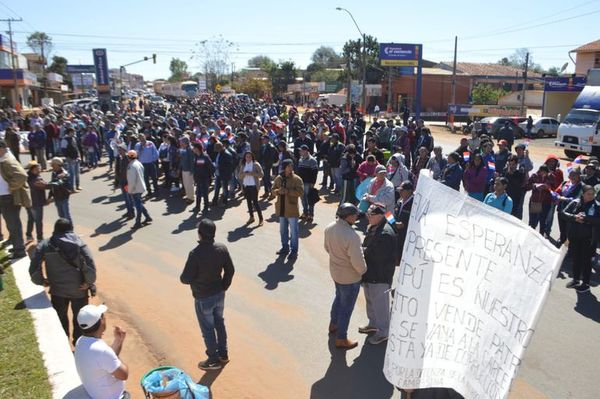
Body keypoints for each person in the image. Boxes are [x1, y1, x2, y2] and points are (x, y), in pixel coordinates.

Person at [29, 218, 97, 344]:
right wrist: (88, 282)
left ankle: (63, 342)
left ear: (55, 229)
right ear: (70, 229)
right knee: (80, 320)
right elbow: (90, 265)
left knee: (60, 319)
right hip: (79, 290)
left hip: (57, 291)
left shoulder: (45, 245)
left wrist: (42, 281)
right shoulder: (80, 243)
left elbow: (34, 269)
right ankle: (78, 344)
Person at [180, 219, 235, 370]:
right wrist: (224, 286)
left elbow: (185, 278)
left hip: (203, 297)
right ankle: (223, 355)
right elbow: (230, 270)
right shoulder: (221, 248)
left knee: (208, 329)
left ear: (200, 234)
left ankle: (213, 359)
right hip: (219, 294)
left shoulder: (195, 254)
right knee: (219, 323)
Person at [324, 203, 367, 349]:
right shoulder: (352, 236)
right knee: (346, 308)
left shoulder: (329, 227)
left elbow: (327, 248)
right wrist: (363, 271)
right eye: (354, 214)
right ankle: (341, 338)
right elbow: (358, 262)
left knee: (338, 298)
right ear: (348, 217)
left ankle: (333, 324)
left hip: (335, 272)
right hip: (350, 277)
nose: (356, 216)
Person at [74, 304, 130, 399]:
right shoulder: (102, 351)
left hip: (94, 393)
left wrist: (118, 341)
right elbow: (124, 375)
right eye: (103, 316)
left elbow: (107, 359)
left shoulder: (80, 341)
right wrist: (115, 356)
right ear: (101, 321)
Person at [359, 204, 396, 345]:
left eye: (371, 215)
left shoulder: (385, 233)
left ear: (380, 216)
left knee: (380, 306)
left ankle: (383, 332)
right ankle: (373, 324)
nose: (368, 217)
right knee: (370, 302)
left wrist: (361, 250)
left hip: (379, 275)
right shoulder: (374, 227)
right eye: (368, 214)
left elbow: (378, 255)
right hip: (370, 273)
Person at [560, 185, 600, 293]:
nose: (591, 196)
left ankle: (586, 284)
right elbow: (563, 213)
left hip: (589, 239)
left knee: (586, 262)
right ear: (583, 194)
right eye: (588, 194)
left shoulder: (597, 206)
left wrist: (587, 219)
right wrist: (574, 218)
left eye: (593, 194)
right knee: (576, 259)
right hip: (575, 237)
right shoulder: (575, 202)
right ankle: (576, 280)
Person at [0, 139, 29, 259]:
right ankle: (16, 244)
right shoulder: (4, 159)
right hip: (5, 197)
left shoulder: (7, 160)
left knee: (13, 224)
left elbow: (22, 175)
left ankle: (19, 250)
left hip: (8, 197)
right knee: (11, 223)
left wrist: (11, 187)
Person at [272, 159, 303, 259]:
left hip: (292, 209)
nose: (291, 168)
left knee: (294, 232)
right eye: (288, 166)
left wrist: (288, 191)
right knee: (282, 230)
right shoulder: (279, 178)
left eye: (291, 166)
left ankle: (294, 251)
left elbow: (300, 192)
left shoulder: (297, 179)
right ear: (284, 167)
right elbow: (272, 190)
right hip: (281, 209)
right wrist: (278, 191)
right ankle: (285, 247)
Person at [126, 150, 152, 230]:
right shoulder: (138, 163)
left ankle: (138, 222)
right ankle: (147, 217)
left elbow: (132, 180)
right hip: (140, 187)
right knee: (139, 203)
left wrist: (130, 190)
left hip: (135, 189)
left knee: (137, 206)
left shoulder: (132, 166)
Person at [556, 168, 583, 245]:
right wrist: (557, 196)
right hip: (561, 209)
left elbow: (578, 198)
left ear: (579, 176)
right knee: (562, 229)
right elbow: (557, 192)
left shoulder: (581, 186)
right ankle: (561, 241)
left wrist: (564, 199)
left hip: (571, 212)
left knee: (569, 231)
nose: (572, 176)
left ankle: (567, 247)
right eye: (571, 175)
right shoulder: (565, 183)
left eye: (574, 175)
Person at [527, 165, 555, 235]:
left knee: (543, 222)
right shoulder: (534, 176)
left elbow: (555, 188)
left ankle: (541, 237)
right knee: (532, 222)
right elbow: (526, 186)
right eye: (541, 172)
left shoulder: (551, 177)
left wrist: (547, 187)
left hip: (546, 203)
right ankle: (530, 236)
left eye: (544, 172)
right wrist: (534, 185)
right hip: (535, 202)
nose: (542, 174)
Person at [237, 151, 264, 225]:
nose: (248, 158)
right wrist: (244, 174)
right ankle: (251, 217)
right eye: (247, 157)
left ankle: (261, 218)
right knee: (248, 202)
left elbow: (262, 174)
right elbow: (239, 176)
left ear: (252, 157)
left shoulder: (256, 164)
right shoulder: (243, 165)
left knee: (255, 203)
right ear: (245, 158)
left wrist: (252, 174)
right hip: (246, 186)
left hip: (254, 186)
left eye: (249, 156)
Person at [393, 180, 414, 265]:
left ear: (409, 191)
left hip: (407, 238)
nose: (400, 192)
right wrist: (392, 222)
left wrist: (404, 225)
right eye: (399, 190)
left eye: (402, 190)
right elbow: (391, 214)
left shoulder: (414, 203)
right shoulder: (399, 201)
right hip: (396, 236)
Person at [46, 157, 72, 223]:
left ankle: (70, 230)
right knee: (61, 216)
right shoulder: (54, 173)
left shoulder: (64, 173)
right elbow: (52, 186)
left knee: (66, 216)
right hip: (57, 197)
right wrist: (49, 197)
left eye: (52, 164)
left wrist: (45, 185)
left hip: (63, 197)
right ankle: (63, 231)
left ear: (57, 165)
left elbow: (58, 184)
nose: (51, 166)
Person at [296, 145, 318, 222]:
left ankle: (310, 215)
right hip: (301, 183)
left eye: (301, 150)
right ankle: (305, 213)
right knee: (303, 199)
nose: (300, 152)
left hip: (308, 183)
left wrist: (313, 183)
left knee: (309, 199)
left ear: (306, 151)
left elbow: (315, 173)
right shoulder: (301, 159)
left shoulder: (312, 160)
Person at [25, 160, 46, 242]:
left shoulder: (27, 177)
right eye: (38, 167)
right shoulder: (36, 179)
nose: (40, 169)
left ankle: (28, 235)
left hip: (29, 203)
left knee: (31, 219)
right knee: (38, 221)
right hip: (36, 203)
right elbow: (45, 186)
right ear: (33, 169)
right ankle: (40, 238)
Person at [192, 142, 215, 214]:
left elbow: (211, 167)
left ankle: (206, 208)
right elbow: (195, 166)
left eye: (194, 148)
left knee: (205, 193)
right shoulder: (196, 156)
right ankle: (197, 206)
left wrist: (210, 176)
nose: (193, 149)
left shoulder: (205, 156)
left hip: (204, 178)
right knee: (198, 193)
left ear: (197, 149)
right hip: (198, 178)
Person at [114, 144, 134, 220]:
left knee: (129, 198)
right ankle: (129, 211)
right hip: (122, 181)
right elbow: (117, 170)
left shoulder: (128, 159)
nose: (119, 151)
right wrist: (116, 182)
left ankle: (131, 213)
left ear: (125, 150)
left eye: (121, 149)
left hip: (127, 182)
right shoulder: (118, 158)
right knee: (126, 198)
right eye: (118, 150)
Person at [212, 141, 234, 207]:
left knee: (225, 189)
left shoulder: (227, 154)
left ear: (220, 148)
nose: (216, 151)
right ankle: (214, 201)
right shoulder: (219, 153)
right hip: (218, 174)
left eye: (217, 149)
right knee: (216, 188)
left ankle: (225, 202)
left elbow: (229, 166)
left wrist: (220, 168)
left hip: (224, 175)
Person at [179, 136, 196, 204]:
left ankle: (191, 198)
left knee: (189, 184)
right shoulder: (184, 149)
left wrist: (192, 171)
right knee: (186, 184)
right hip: (184, 169)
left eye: (181, 142)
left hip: (189, 170)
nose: (180, 143)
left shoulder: (190, 149)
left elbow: (192, 161)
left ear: (185, 142)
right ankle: (188, 195)